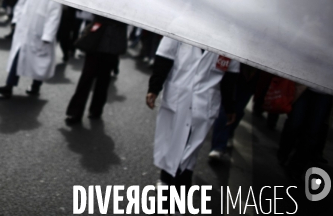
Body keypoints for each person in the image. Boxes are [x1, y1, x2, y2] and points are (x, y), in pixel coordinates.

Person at [146, 37, 238, 189]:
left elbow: (230, 77)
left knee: (188, 155)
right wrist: (154, 88)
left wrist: (230, 106)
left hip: (203, 105)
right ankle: (166, 178)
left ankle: (175, 203)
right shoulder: (181, 26)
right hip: (178, 98)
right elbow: (164, 57)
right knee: (172, 145)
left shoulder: (231, 41)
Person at [0, 0, 62, 97]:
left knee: (39, 63)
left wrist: (48, 35)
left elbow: (54, 15)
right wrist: (15, 20)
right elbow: (20, 4)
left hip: (40, 32)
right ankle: (9, 85)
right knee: (18, 56)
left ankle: (36, 85)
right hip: (24, 29)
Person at [64, 15, 128, 125]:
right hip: (97, 40)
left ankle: (95, 110)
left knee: (103, 80)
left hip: (112, 43)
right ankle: (76, 112)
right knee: (87, 78)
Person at [208, 63, 260, 160]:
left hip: (250, 79)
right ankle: (218, 146)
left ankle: (229, 133)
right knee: (225, 109)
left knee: (238, 111)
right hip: (235, 75)